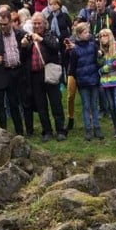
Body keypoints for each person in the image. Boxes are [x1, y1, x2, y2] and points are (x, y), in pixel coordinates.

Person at [28, 11, 67, 139]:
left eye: (39, 23)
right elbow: (24, 57)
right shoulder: (29, 37)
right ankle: (47, 131)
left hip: (50, 72)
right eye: (34, 23)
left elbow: (56, 47)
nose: (37, 25)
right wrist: (24, 46)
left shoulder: (50, 34)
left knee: (55, 103)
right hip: (35, 75)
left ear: (45, 23)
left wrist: (41, 39)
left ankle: (60, 130)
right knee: (41, 105)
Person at [68, 22, 104, 139]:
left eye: (88, 32)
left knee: (94, 104)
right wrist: (78, 79)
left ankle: (97, 128)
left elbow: (97, 61)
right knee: (86, 105)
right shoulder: (75, 51)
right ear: (79, 34)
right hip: (83, 82)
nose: (88, 34)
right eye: (85, 32)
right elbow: (72, 69)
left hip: (94, 80)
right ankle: (88, 129)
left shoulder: (93, 46)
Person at [0, 8, 29, 135]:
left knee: (25, 101)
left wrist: (25, 46)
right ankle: (19, 131)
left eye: (5, 24)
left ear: (10, 22)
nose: (3, 26)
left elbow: (27, 52)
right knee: (13, 103)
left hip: (20, 69)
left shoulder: (19, 33)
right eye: (1, 24)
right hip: (7, 72)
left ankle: (29, 129)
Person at [96, 29, 116, 136]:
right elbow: (98, 64)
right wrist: (99, 56)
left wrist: (104, 69)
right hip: (106, 81)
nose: (102, 38)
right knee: (111, 106)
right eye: (100, 36)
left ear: (110, 36)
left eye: (105, 35)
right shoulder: (101, 50)